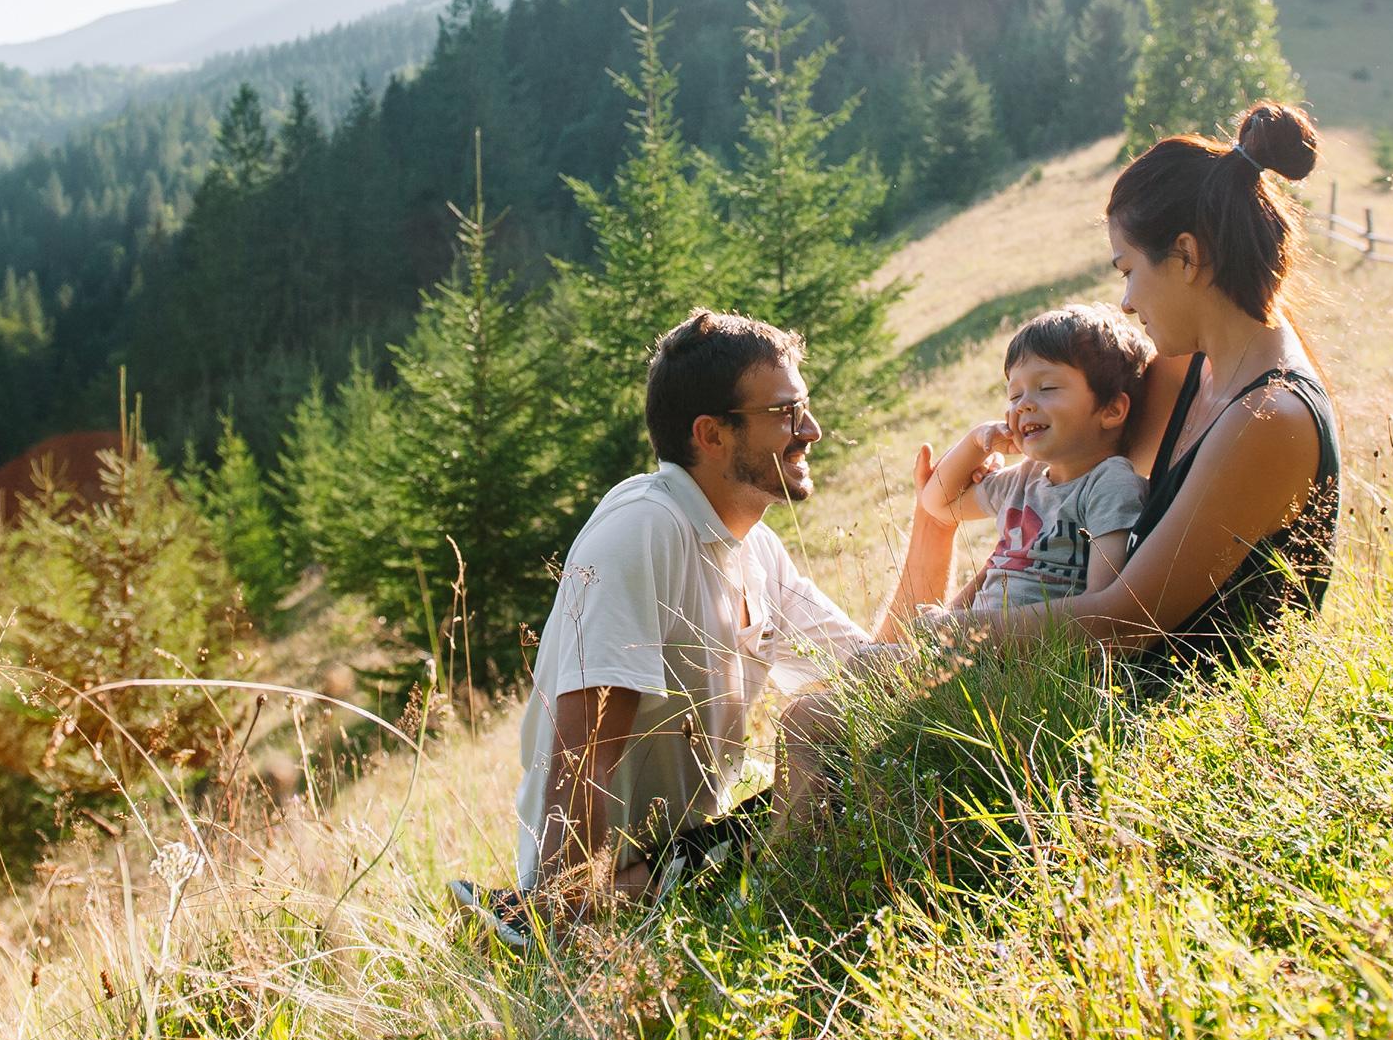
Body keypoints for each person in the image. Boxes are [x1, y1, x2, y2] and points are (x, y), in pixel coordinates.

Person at [449, 310, 904, 947]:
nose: (811, 430)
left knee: (842, 766)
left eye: (803, 406)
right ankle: (530, 918)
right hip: (609, 895)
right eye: (784, 412)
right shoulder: (644, 530)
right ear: (711, 435)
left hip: (686, 870)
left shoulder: (757, 549)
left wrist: (937, 519)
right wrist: (564, 923)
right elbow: (582, 753)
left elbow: (878, 677)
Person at [899, 100, 1342, 673]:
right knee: (819, 712)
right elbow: (1052, 508)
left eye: (1129, 270)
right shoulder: (1186, 371)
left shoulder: (1269, 417)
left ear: (1186, 255)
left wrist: (956, 633)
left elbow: (1125, 623)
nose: (1127, 302)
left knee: (813, 723)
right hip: (1076, 674)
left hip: (1167, 715)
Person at [917, 304, 1156, 613]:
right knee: (863, 659)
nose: (1024, 405)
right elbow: (938, 503)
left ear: (1111, 410)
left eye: (1047, 387)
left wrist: (974, 629)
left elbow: (1101, 605)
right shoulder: (1024, 479)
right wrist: (977, 442)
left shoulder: (1109, 484)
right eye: (1014, 395)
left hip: (1032, 647)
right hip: (976, 643)